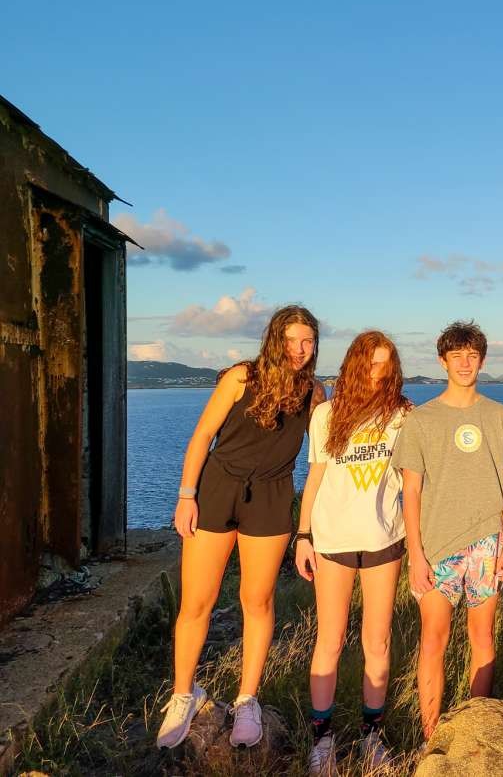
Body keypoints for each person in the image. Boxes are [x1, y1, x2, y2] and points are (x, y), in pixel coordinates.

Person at [157, 305, 325, 750]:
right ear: (274, 339)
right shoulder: (240, 378)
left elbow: (332, 442)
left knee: (258, 599)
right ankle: (184, 695)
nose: (299, 349)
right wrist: (186, 495)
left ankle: (247, 699)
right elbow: (201, 437)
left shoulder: (314, 393)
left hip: (271, 497)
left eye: (307, 341)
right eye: (291, 340)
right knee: (197, 601)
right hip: (217, 489)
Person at [391, 321, 503, 740]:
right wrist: (415, 555)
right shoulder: (422, 420)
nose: (465, 363)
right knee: (433, 640)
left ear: (481, 360)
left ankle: (474, 730)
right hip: (436, 546)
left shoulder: (500, 416)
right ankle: (432, 737)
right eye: (456, 356)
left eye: (472, 355)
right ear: (442, 361)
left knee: (482, 636)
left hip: (488, 543)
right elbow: (411, 491)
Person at [294, 331, 413, 774]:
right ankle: (322, 739)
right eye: (371, 362)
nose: (378, 372)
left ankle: (372, 736)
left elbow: (414, 480)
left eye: (386, 363)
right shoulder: (325, 415)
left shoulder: (402, 414)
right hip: (333, 539)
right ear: (355, 363)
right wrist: (303, 535)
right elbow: (315, 478)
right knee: (329, 638)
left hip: (384, 538)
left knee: (377, 640)